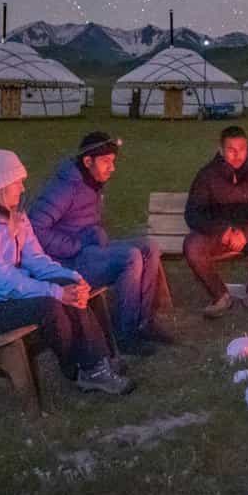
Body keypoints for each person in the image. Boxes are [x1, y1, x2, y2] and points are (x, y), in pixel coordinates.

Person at [0, 149, 132, 396]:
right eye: (18, 182)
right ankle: (80, 368)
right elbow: (2, 280)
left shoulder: (15, 216)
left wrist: (72, 278)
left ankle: (97, 363)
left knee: (68, 286)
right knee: (49, 305)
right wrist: (56, 292)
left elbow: (35, 260)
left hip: (1, 297)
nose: (23, 188)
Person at [25, 131, 173, 355]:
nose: (112, 168)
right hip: (67, 262)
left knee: (149, 247)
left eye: (112, 162)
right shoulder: (65, 187)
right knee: (130, 257)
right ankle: (125, 335)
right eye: (106, 162)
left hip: (89, 251)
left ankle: (144, 324)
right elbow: (34, 227)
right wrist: (74, 246)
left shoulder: (91, 182)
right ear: (87, 161)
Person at [183, 125, 248, 317]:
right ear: (221, 150)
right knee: (192, 245)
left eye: (242, 149)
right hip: (220, 236)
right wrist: (222, 231)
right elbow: (193, 213)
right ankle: (220, 296)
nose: (237, 155)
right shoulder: (207, 175)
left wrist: (247, 233)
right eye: (231, 150)